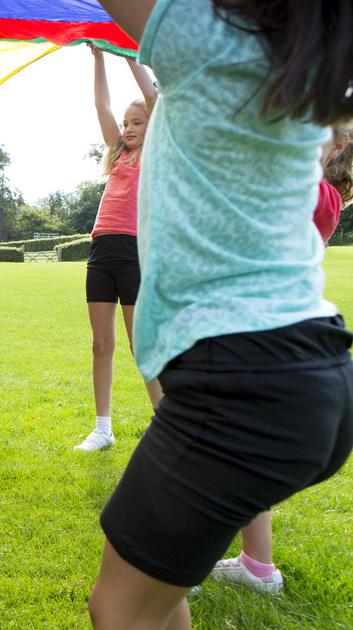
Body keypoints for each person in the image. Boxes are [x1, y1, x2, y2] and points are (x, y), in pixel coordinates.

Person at [87, 1, 353, 628]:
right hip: (312, 369)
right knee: (158, 588)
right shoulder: (299, 56)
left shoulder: (210, 37)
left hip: (242, 380)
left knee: (120, 608)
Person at [205, 125, 352, 596]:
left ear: (337, 143)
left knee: (223, 448)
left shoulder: (317, 194)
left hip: (262, 334)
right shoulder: (315, 190)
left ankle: (179, 563)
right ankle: (257, 566)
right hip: (256, 327)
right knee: (240, 449)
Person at [76, 43, 163, 452]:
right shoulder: (117, 156)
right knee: (101, 343)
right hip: (101, 252)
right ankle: (103, 428)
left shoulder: (158, 154)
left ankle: (166, 423)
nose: (128, 128)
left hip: (134, 252)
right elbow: (100, 104)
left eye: (137, 123)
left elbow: (153, 99)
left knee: (138, 342)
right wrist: (98, 59)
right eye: (126, 123)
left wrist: (128, 53)